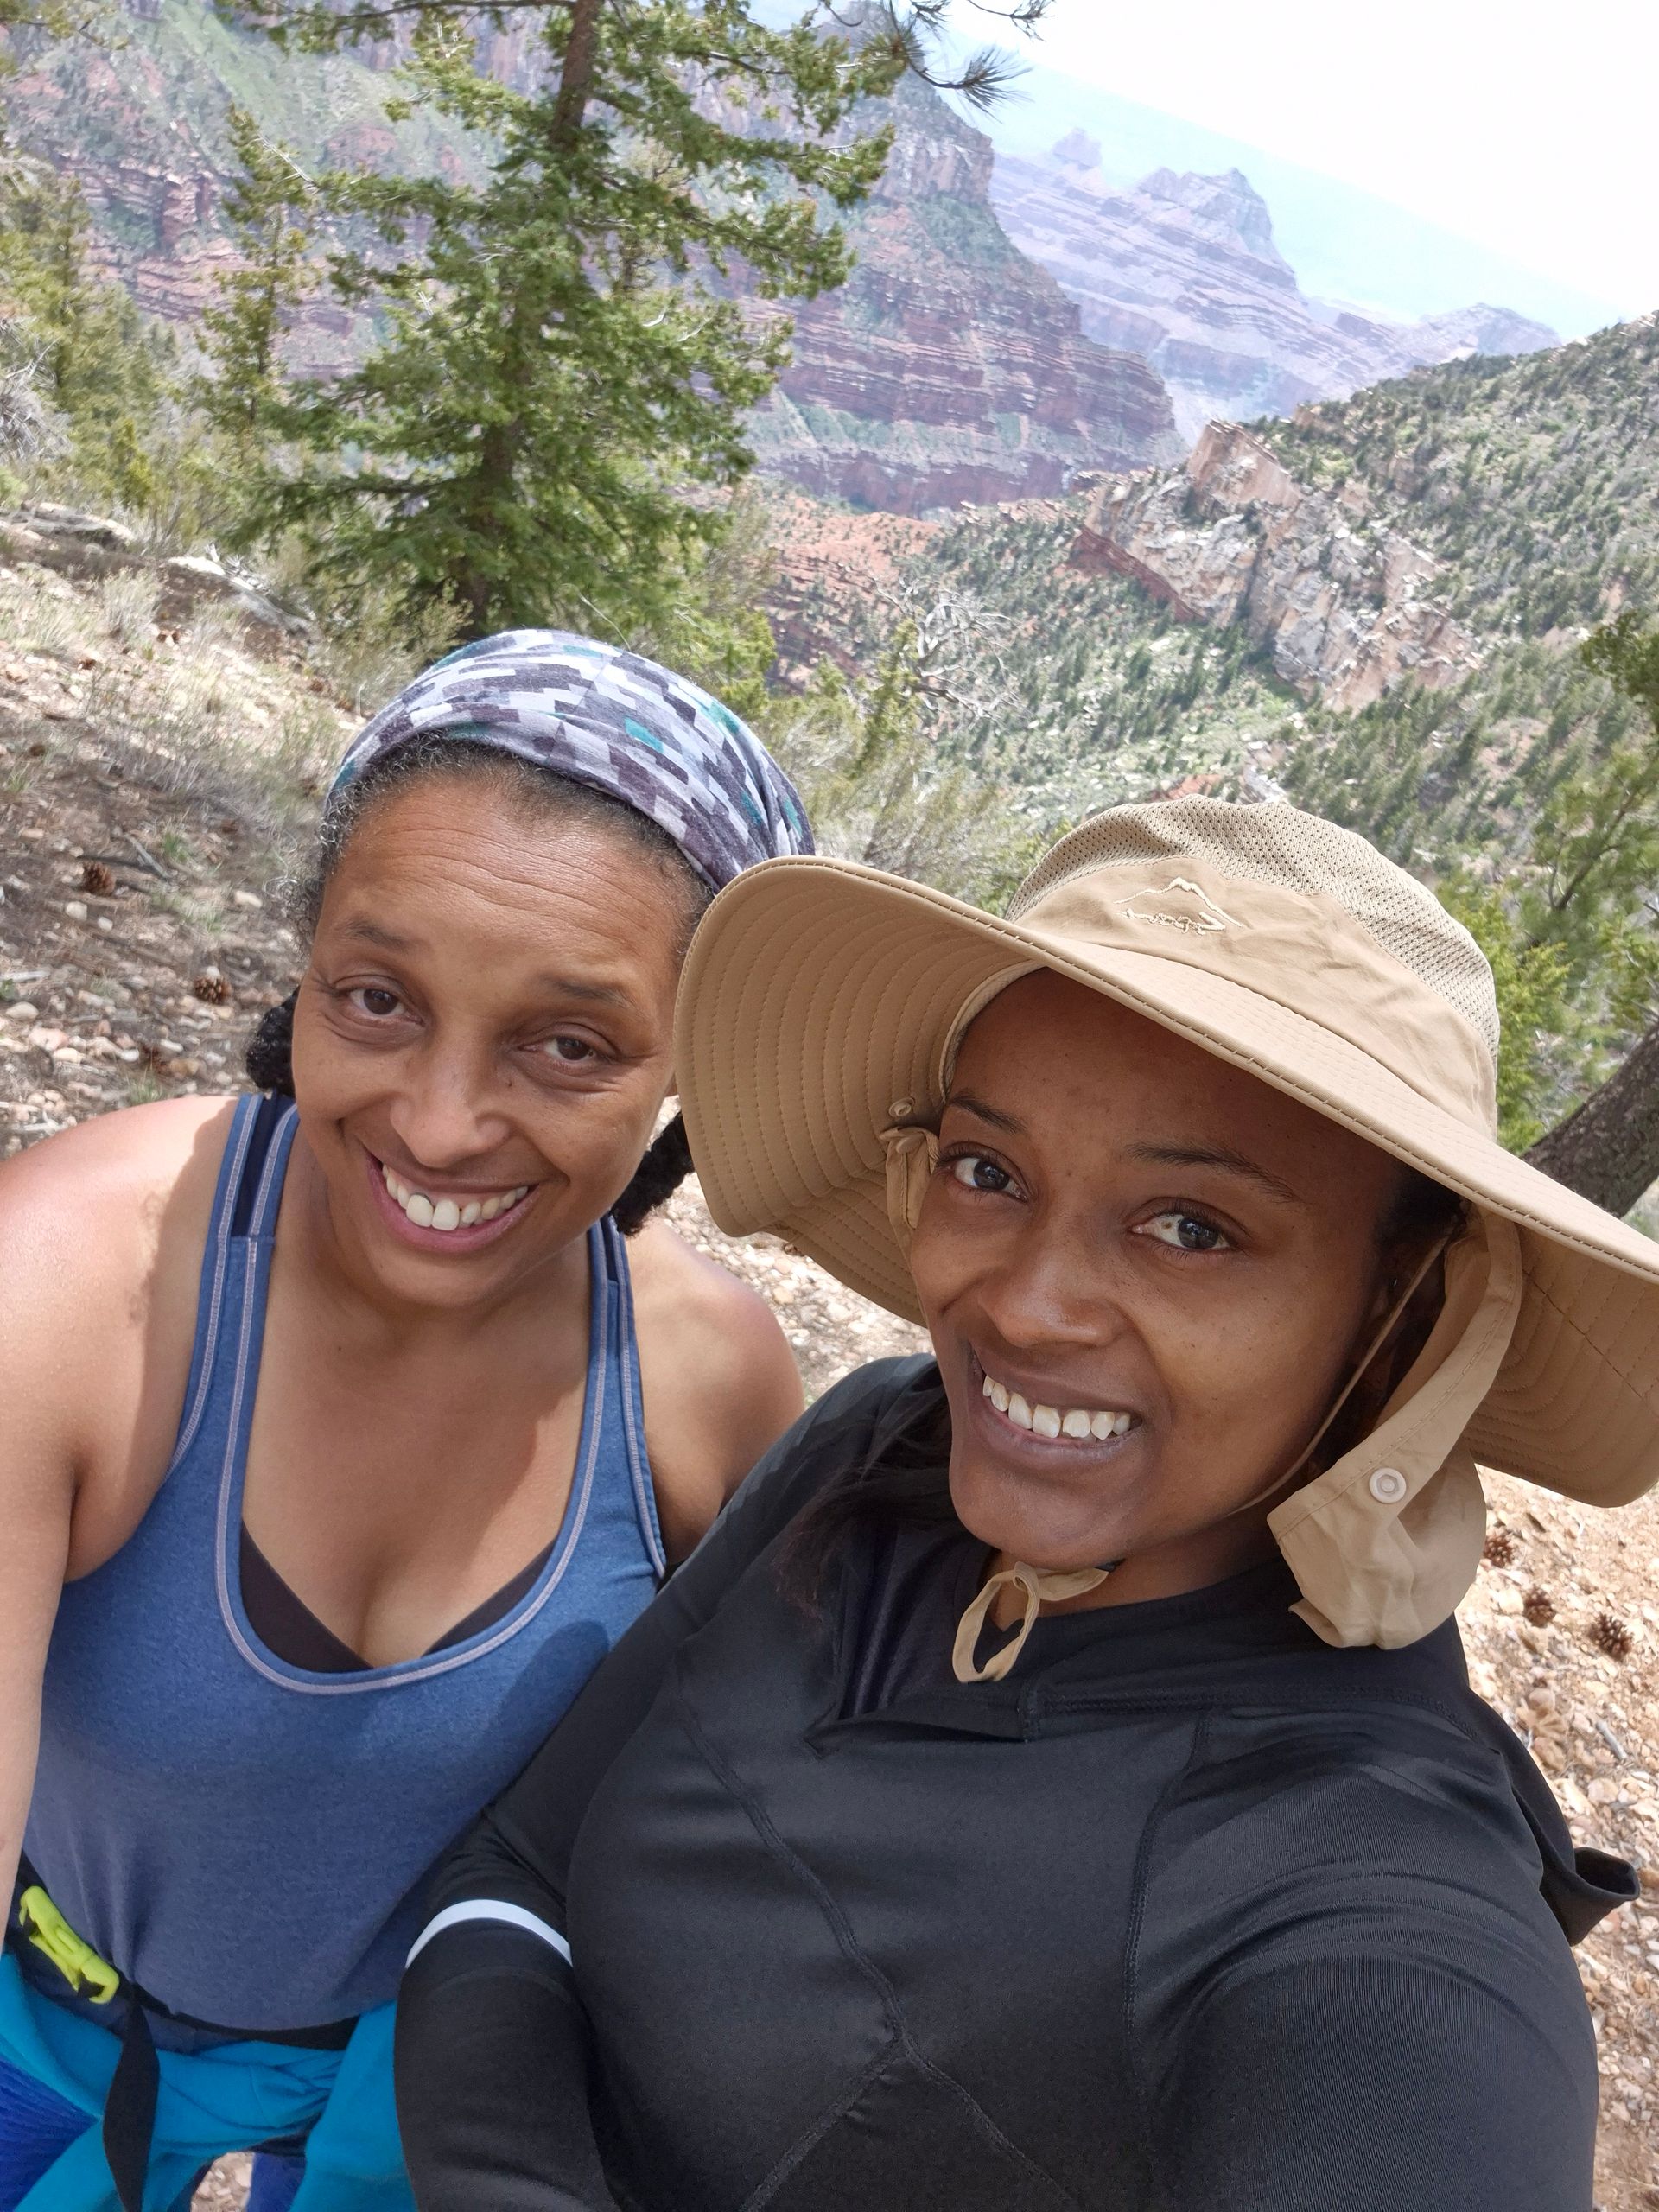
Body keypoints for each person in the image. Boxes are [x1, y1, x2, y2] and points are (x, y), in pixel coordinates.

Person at [396, 796, 1658, 2212]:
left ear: (1400, 1308)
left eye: (1194, 1228)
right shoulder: (883, 1447)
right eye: (988, 1172)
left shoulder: (1359, 1888)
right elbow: (513, 1870)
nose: (1024, 1306)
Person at [0, 630, 811, 2212]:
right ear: (302, 966)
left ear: (685, 1068)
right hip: (51, 2082)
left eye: (568, 1045)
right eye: (377, 999)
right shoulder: (80, 1277)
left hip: (445, 2128)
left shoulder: (706, 1390)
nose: (441, 1120)